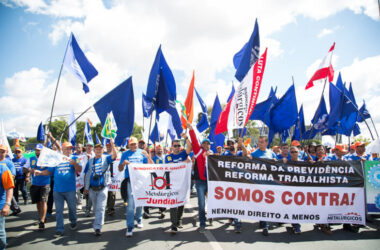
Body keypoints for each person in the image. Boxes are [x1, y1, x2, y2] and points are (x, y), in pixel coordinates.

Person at [34, 142, 82, 237]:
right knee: (59, 210)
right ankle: (59, 229)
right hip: (57, 190)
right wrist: (40, 172)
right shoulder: (55, 159)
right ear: (62, 149)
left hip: (70, 190)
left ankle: (73, 221)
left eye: (70, 148)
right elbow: (49, 171)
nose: (69, 150)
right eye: (67, 148)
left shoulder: (74, 158)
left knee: (72, 208)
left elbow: (80, 169)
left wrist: (75, 164)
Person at [118, 137, 153, 237]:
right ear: (129, 145)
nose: (133, 146)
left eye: (135, 144)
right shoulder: (125, 154)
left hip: (141, 181)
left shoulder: (142, 152)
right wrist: (123, 163)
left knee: (139, 202)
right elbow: (120, 169)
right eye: (132, 144)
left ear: (137, 144)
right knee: (130, 205)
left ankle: (139, 218)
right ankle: (130, 226)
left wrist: (148, 156)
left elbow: (150, 165)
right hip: (130, 181)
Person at [84, 139, 117, 236]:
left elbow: (115, 156)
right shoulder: (90, 161)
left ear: (103, 150)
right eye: (97, 149)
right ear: (94, 151)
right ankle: (99, 220)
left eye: (100, 149)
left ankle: (97, 227)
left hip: (103, 187)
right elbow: (87, 174)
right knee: (95, 208)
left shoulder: (106, 158)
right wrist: (86, 187)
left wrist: (112, 144)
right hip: (92, 189)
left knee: (101, 207)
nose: (98, 151)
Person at [249, 136, 277, 236]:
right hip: (258, 182)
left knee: (267, 203)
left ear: (266, 143)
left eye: (261, 142)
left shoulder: (271, 153)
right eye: (259, 142)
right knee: (261, 202)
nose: (260, 144)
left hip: (269, 183)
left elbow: (277, 166)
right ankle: (264, 222)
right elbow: (247, 162)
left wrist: (275, 160)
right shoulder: (254, 153)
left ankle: (264, 223)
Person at [187, 122, 212, 234]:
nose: (206, 145)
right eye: (205, 144)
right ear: (202, 145)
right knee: (201, 203)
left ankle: (210, 216)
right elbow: (194, 140)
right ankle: (202, 223)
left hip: (211, 182)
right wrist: (191, 129)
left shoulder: (212, 154)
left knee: (212, 202)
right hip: (200, 182)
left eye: (208, 144)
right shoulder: (198, 151)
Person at [165, 134, 192, 234]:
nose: (176, 147)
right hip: (172, 183)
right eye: (175, 145)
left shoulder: (183, 153)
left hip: (182, 182)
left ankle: (179, 219)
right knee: (173, 203)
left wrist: (186, 137)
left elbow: (190, 147)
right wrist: (185, 162)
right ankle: (173, 224)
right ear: (172, 147)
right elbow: (171, 166)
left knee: (181, 202)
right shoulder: (168, 156)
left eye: (178, 145)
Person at [24, 144, 50, 230]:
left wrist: (42, 172)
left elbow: (50, 170)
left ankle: (42, 221)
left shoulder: (47, 159)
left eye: (39, 150)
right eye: (36, 150)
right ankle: (41, 216)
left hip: (45, 183)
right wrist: (29, 170)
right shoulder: (31, 159)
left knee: (43, 201)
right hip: (35, 184)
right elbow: (24, 169)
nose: (37, 151)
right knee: (38, 202)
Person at [0, 144, 15, 249]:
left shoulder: (4, 168)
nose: (0, 153)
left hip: (0, 206)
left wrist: (7, 204)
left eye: (2, 151)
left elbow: (9, 187)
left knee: (0, 232)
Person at [104, 141, 117, 216]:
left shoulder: (116, 155)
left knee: (112, 193)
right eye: (107, 146)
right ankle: (105, 206)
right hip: (105, 177)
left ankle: (111, 208)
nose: (109, 148)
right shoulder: (104, 155)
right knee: (105, 193)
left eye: (110, 146)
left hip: (114, 177)